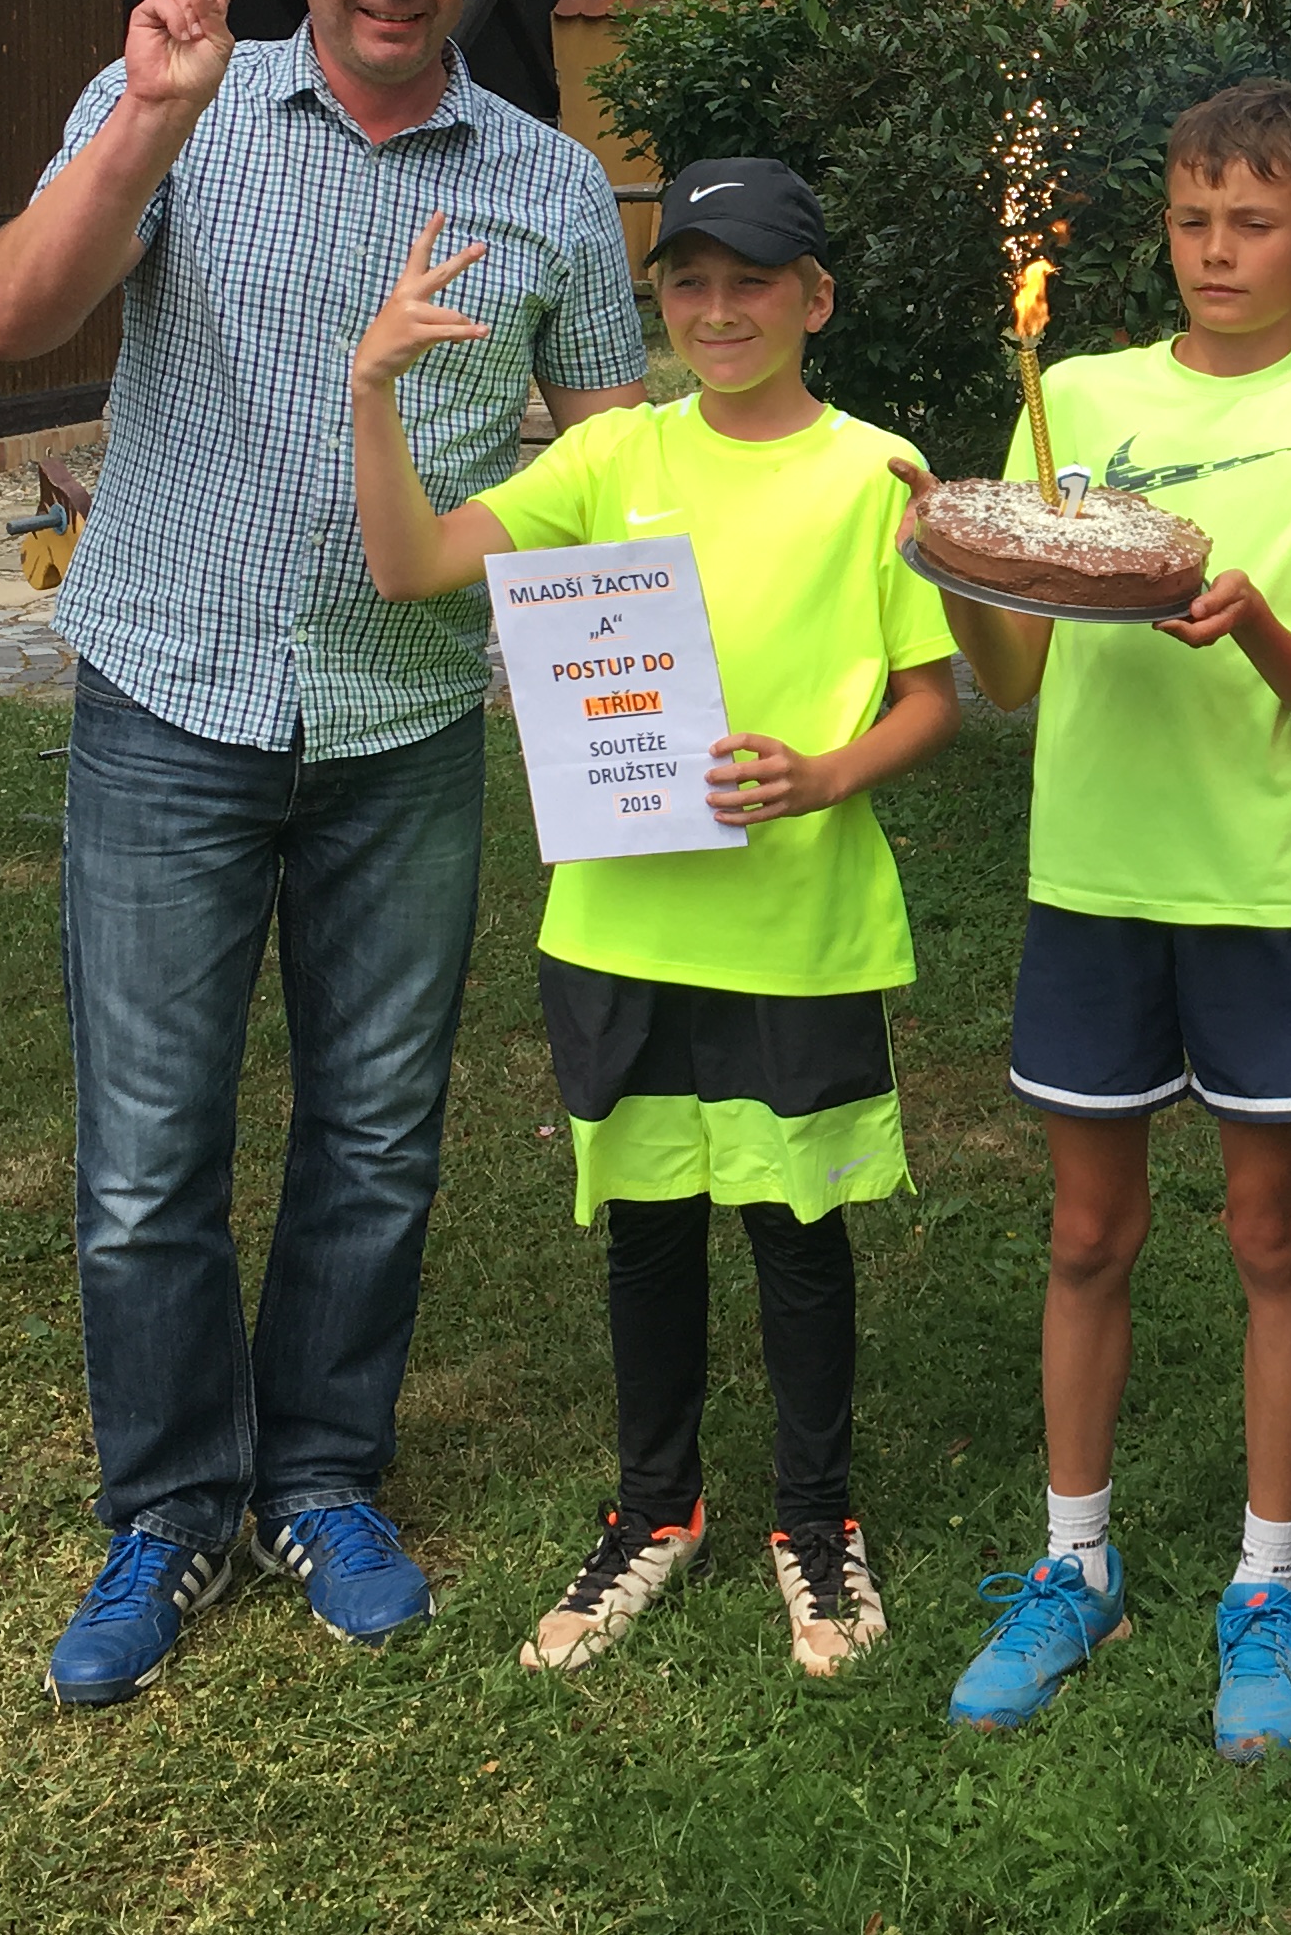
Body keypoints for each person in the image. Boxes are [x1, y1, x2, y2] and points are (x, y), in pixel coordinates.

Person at [0, 0, 648, 1709]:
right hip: (170, 692)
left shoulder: (550, 186)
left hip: (404, 718)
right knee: (146, 1154)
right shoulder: (175, 105)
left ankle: (324, 1477)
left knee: (374, 1136)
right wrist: (145, 123)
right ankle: (171, 1508)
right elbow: (11, 313)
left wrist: (653, 710)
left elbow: (615, 474)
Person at [906, 79, 1291, 1757]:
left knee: (1270, 1234)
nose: (1219, 252)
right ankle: (1074, 1564)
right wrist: (949, 567)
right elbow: (1018, 667)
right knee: (1087, 1234)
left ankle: (1268, 1585)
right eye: (1194, 219)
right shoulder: (1071, 392)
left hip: (1260, 883)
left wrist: (1252, 620)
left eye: (1256, 224)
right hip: (1094, 873)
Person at [349, 156, 957, 1678]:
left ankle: (816, 1522)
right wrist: (372, 389)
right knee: (649, 1232)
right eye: (689, 281)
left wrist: (824, 775)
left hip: (796, 928)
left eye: (754, 281)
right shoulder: (609, 453)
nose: (719, 309)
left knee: (798, 1231)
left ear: (816, 300)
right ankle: (654, 1507)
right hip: (621, 930)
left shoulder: (879, 473)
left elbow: (931, 699)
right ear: (659, 303)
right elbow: (410, 566)